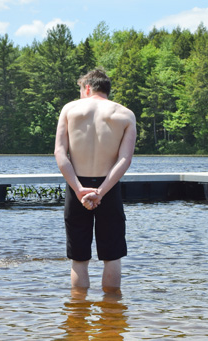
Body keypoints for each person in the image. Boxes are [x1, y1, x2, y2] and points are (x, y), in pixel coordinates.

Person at [54, 69, 136, 292]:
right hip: (108, 188)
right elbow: (125, 159)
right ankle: (112, 317)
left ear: (87, 88)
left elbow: (60, 153)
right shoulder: (125, 115)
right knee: (112, 257)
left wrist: (79, 189)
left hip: (76, 185)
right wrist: (100, 191)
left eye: (81, 90)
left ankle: (78, 316)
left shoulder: (69, 110)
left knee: (79, 259)